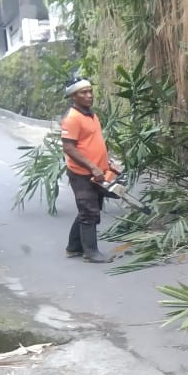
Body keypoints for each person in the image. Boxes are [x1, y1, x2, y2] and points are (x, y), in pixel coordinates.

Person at [60, 79, 115, 263]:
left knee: (90, 209)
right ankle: (90, 253)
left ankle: (73, 247)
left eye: (90, 91)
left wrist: (107, 163)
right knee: (89, 211)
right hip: (82, 174)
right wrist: (92, 166)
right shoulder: (72, 118)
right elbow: (69, 148)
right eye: (83, 92)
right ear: (73, 96)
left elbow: (93, 142)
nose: (89, 95)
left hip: (98, 171)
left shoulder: (91, 115)